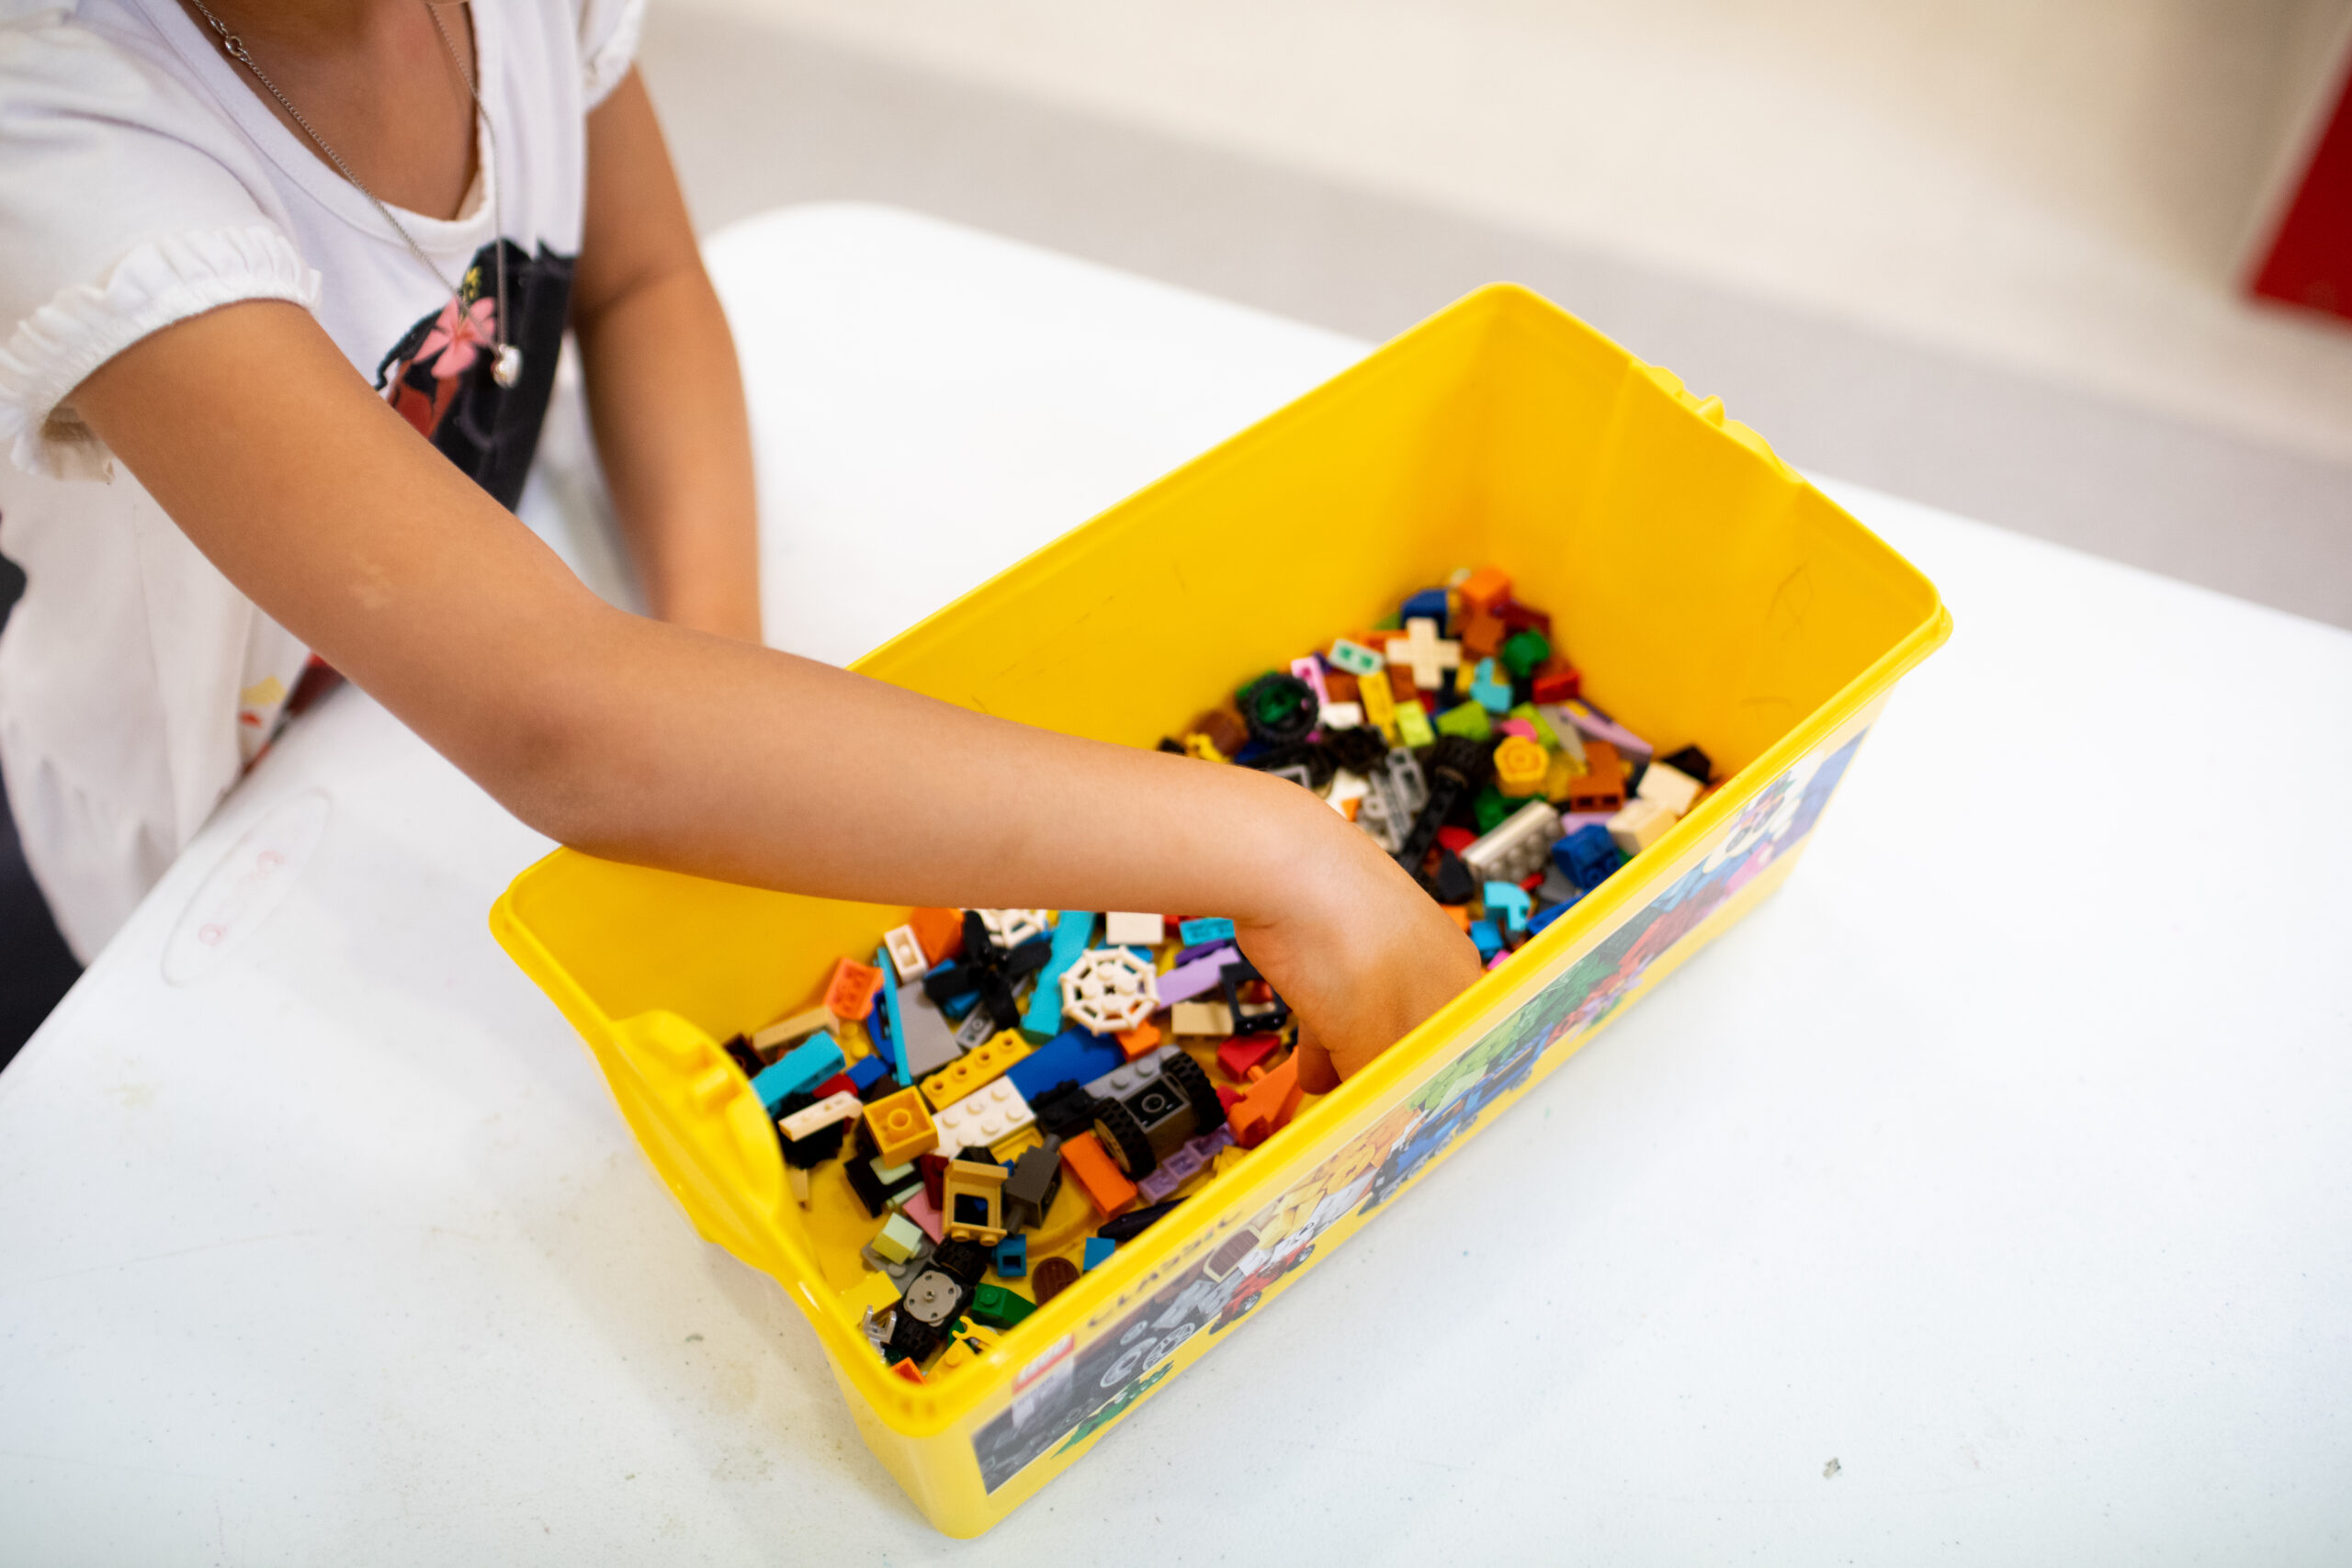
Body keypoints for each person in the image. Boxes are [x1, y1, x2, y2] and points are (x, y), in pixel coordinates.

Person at [0, 0, 1479, 1086]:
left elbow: (640, 284)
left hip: (492, 674)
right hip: (200, 874)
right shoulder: (69, 144)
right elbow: (559, 718)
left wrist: (713, 683)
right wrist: (1279, 850)